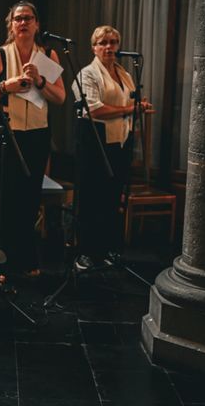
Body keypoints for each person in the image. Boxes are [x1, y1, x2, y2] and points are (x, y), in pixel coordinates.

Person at [0, 0, 65, 278]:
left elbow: (60, 97)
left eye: (28, 18)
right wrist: (8, 85)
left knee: (29, 197)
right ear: (11, 25)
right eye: (18, 19)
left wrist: (40, 81)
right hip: (6, 131)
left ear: (37, 24)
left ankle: (26, 259)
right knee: (4, 197)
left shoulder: (48, 55)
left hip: (37, 134)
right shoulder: (0, 55)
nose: (23, 23)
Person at [73, 25, 150, 270]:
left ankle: (106, 249)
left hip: (120, 142)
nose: (109, 47)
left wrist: (139, 106)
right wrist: (130, 110)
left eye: (113, 42)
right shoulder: (88, 73)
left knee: (111, 197)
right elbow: (93, 109)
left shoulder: (124, 73)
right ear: (94, 47)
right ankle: (85, 252)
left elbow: (130, 100)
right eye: (103, 42)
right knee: (91, 197)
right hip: (96, 142)